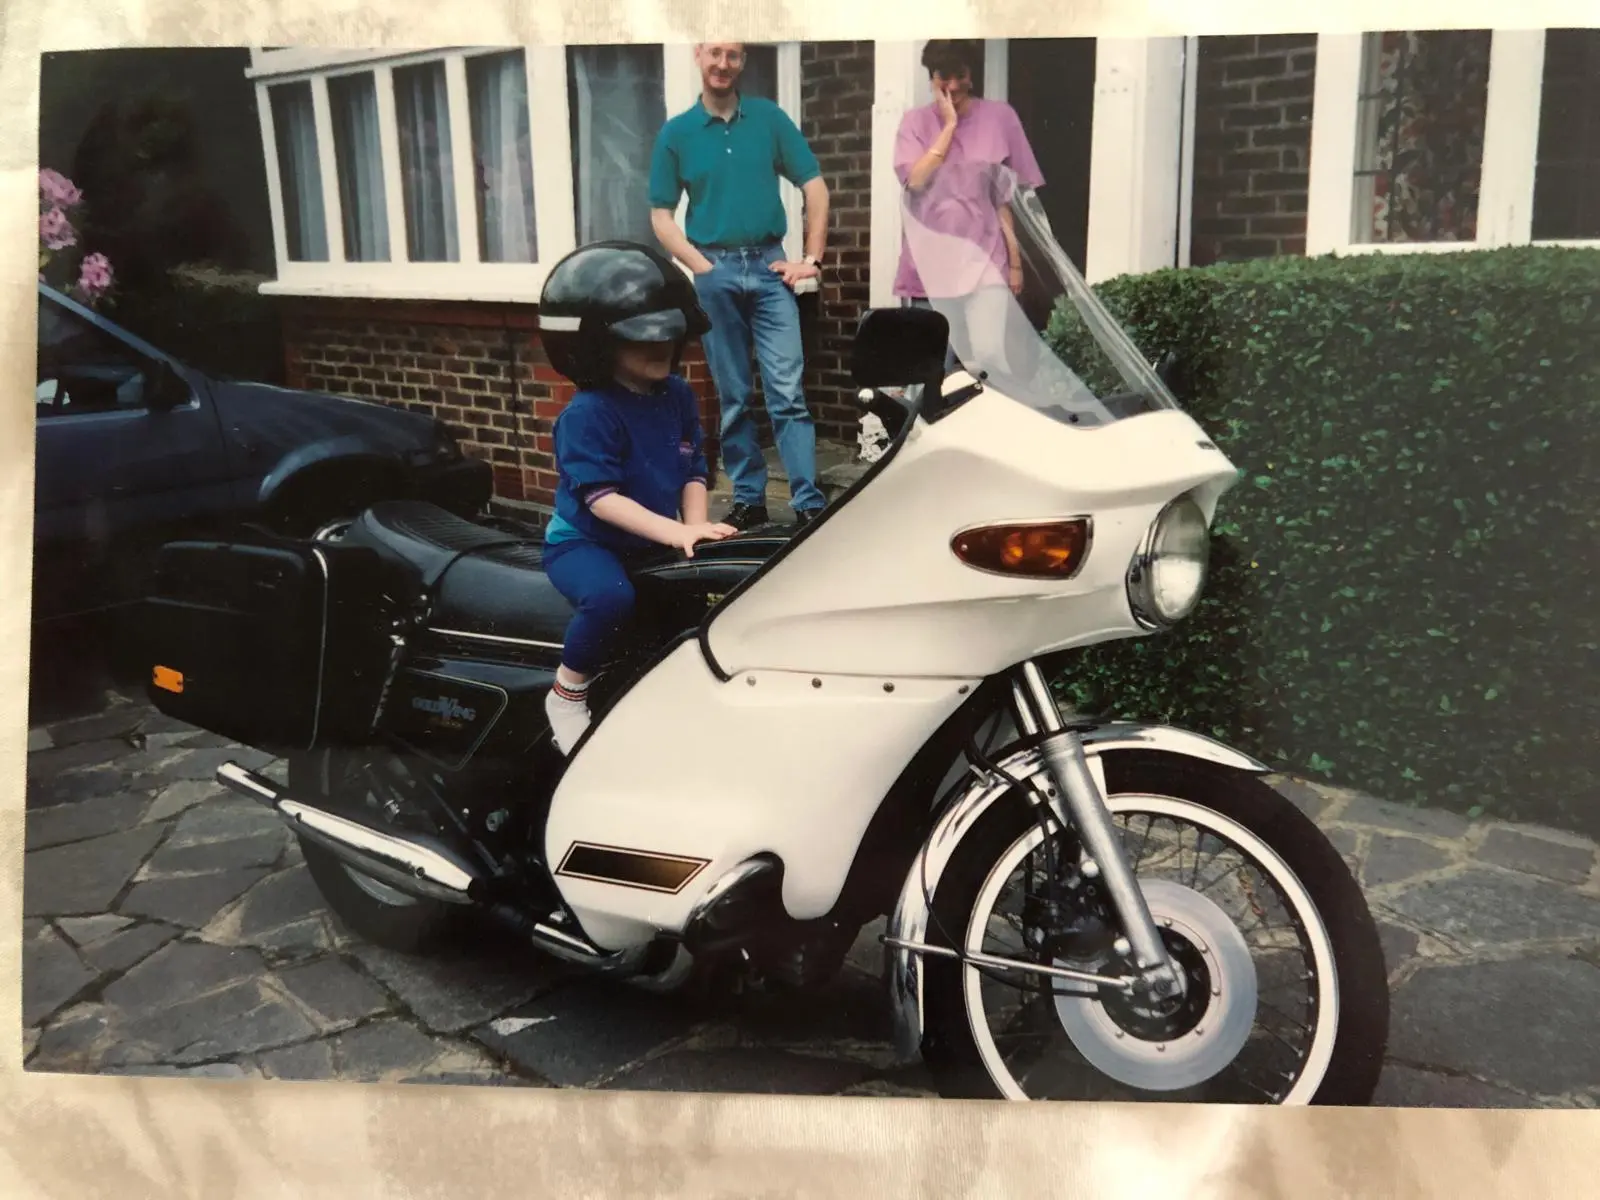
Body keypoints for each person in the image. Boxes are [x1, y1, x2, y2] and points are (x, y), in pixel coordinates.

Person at [537, 240, 737, 754]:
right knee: (611, 598)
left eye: (669, 337)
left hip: (649, 538)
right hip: (587, 544)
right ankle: (567, 691)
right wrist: (676, 532)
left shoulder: (678, 394)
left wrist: (694, 533)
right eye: (641, 339)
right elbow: (602, 500)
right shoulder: (588, 414)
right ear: (596, 347)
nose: (661, 348)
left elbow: (694, 466)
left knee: (693, 594)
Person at [648, 41, 831, 531]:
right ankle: (749, 498)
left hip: (771, 267)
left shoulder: (768, 119)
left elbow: (814, 185)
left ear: (743, 61)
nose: (722, 65)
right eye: (714, 54)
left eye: (732, 55)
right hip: (716, 272)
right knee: (733, 395)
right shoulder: (678, 133)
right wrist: (698, 265)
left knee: (787, 393)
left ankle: (807, 501)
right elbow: (661, 216)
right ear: (698, 56)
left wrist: (809, 259)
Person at [892, 39, 1045, 378]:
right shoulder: (914, 123)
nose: (954, 85)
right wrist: (948, 127)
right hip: (930, 265)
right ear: (931, 79)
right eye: (943, 77)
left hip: (985, 259)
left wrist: (1016, 264)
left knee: (989, 360)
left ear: (972, 76)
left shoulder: (1000, 117)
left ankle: (987, 429)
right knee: (932, 366)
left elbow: (1004, 197)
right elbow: (915, 180)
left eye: (961, 75)